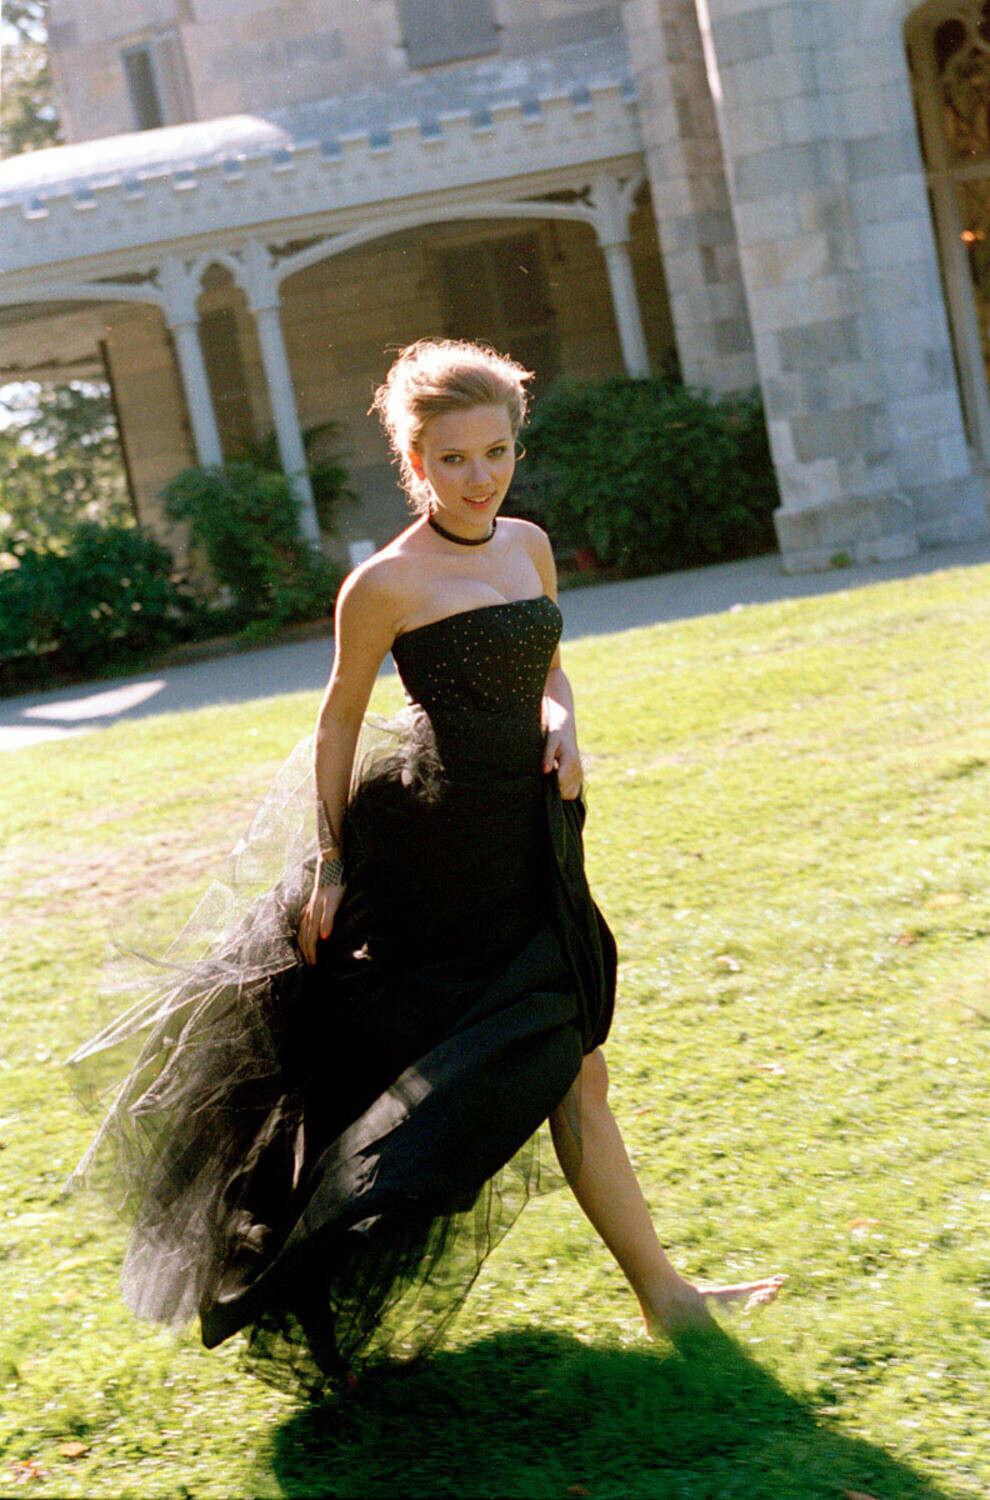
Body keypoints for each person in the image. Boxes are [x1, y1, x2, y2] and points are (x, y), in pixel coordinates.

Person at [64, 338, 781, 1397]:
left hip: (534, 843)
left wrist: (564, 725)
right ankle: (307, 1251)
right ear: (414, 462)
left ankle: (665, 1295)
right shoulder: (384, 583)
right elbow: (338, 720)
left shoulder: (529, 547)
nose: (480, 477)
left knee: (577, 1066)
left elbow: (551, 673)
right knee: (422, 1082)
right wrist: (328, 862)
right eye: (452, 459)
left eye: (496, 452)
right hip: (436, 868)